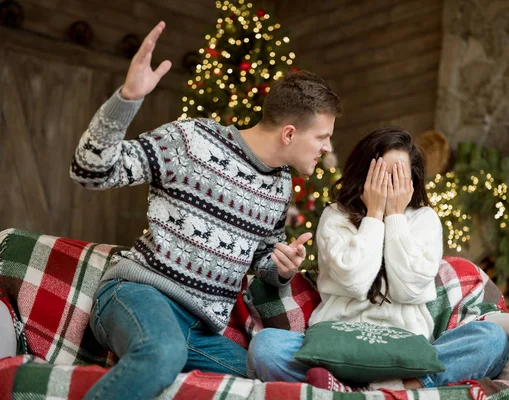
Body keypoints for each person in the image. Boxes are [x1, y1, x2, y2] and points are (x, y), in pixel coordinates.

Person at [70, 21, 342, 400]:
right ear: (290, 133)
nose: (326, 149)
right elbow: (91, 171)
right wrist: (127, 99)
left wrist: (281, 268)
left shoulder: (279, 185)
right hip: (138, 294)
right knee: (162, 353)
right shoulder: (192, 141)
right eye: (322, 138)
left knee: (263, 382)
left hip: (198, 331)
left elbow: (263, 257)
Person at [246, 127, 509, 391]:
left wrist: (394, 217)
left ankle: (391, 386)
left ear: (412, 180)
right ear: (364, 173)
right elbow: (354, 282)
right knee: (266, 346)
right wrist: (374, 214)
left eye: (398, 176)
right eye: (382, 174)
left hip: (407, 350)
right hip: (335, 346)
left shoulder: (424, 219)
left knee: (492, 339)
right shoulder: (335, 216)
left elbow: (408, 289)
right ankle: (388, 390)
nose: (388, 184)